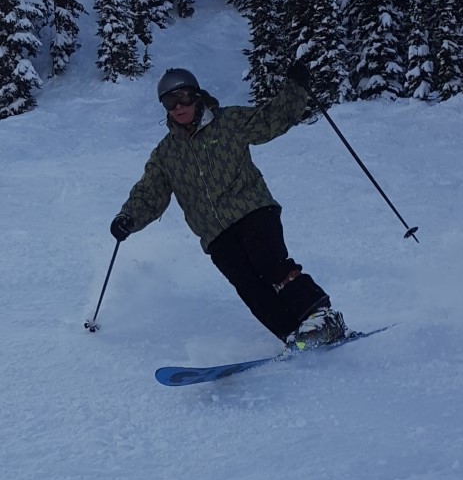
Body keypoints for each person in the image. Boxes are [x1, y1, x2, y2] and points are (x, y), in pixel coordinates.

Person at [110, 61, 349, 351]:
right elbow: (150, 193)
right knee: (249, 287)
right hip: (215, 234)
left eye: (182, 97)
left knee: (270, 263)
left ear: (195, 95)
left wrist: (295, 89)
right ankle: (295, 336)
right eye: (170, 102)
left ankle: (321, 317)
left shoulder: (229, 122)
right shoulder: (166, 154)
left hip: (252, 209)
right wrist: (128, 217)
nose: (178, 107)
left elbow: (271, 119)